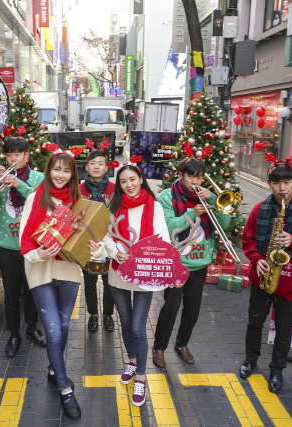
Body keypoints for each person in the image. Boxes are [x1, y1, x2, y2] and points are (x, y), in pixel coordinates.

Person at [88, 164, 170, 407]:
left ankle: (142, 377)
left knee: (137, 327)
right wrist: (115, 252)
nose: (129, 185)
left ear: (140, 179)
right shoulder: (113, 207)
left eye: (132, 179)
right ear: (120, 185)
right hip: (118, 273)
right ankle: (132, 362)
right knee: (124, 322)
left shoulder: (153, 206)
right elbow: (106, 237)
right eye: (124, 182)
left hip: (145, 274)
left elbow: (162, 238)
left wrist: (145, 254)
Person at [239, 158, 292, 394]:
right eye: (276, 183)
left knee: (284, 330)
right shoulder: (259, 209)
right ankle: (250, 359)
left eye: (287, 182)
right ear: (269, 184)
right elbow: (248, 240)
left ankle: (277, 369)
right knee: (255, 322)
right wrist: (257, 259)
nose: (282, 188)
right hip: (262, 279)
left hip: (291, 283)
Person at [19, 152, 83, 420]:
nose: (60, 175)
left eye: (66, 171)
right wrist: (38, 255)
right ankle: (65, 388)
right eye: (56, 170)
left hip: (68, 270)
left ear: (72, 175)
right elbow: (24, 240)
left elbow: (90, 240)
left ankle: (53, 369)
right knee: (54, 333)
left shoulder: (80, 203)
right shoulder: (36, 198)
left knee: (64, 326)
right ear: (48, 171)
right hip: (41, 271)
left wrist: (91, 244)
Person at [152, 158, 230, 367]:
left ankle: (182, 343)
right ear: (182, 175)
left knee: (192, 310)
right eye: (191, 176)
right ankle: (159, 347)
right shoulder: (168, 196)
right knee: (170, 307)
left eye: (199, 177)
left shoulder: (207, 196)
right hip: (177, 263)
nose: (196, 181)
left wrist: (213, 199)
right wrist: (191, 213)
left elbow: (225, 223)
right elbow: (168, 227)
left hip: (200, 263)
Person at [0, 137, 46, 358]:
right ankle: (13, 334)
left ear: (26, 156)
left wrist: (18, 183)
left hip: (32, 245)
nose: (13, 158)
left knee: (32, 291)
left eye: (18, 154)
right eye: (9, 154)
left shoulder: (38, 178)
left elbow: (41, 202)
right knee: (11, 294)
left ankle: (31, 328)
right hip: (6, 246)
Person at [78, 150, 116, 332]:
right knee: (89, 282)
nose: (96, 166)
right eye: (93, 163)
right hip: (88, 243)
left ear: (106, 167)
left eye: (100, 163)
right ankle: (93, 314)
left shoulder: (115, 189)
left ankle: (108, 314)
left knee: (110, 282)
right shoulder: (80, 190)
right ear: (87, 167)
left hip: (110, 243)